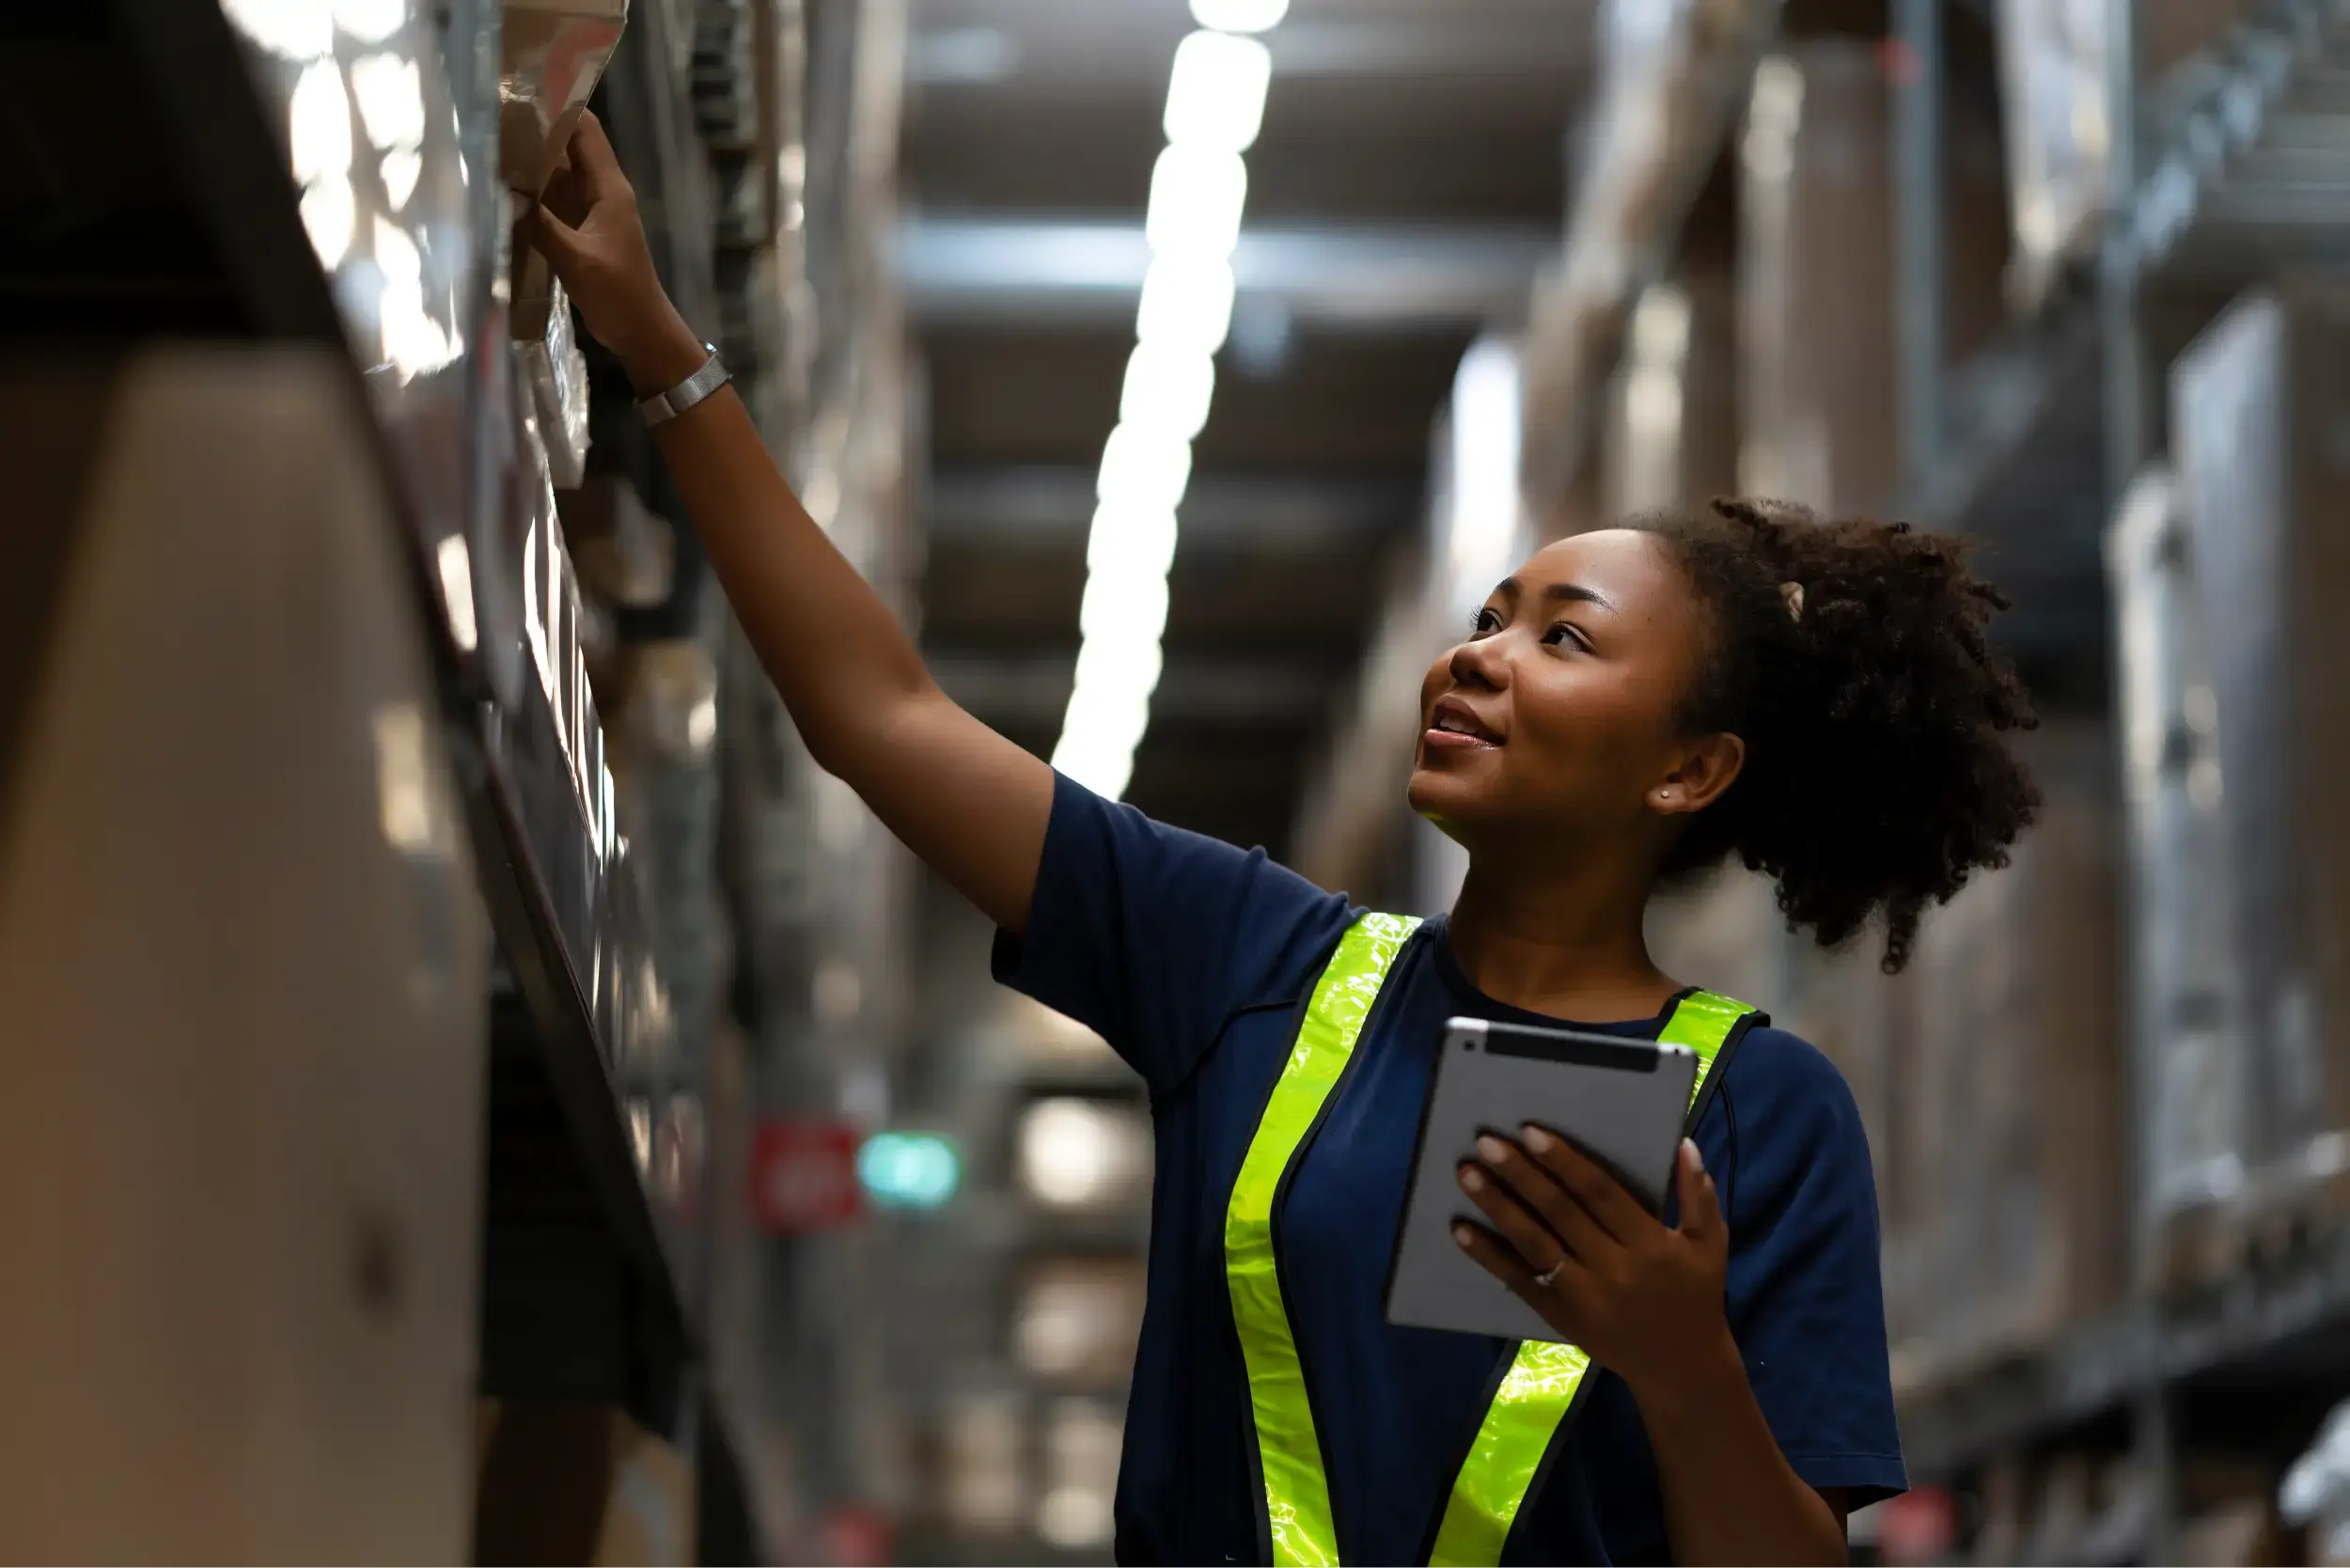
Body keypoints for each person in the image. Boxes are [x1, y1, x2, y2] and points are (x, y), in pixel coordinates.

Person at [529, 114, 2041, 1568]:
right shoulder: (1257, 966)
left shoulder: (1763, 1113)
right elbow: (883, 716)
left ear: (1690, 770)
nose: (1480, 657)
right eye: (1487, 618)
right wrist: (663, 351)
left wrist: (1684, 1366)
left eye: (1564, 641)